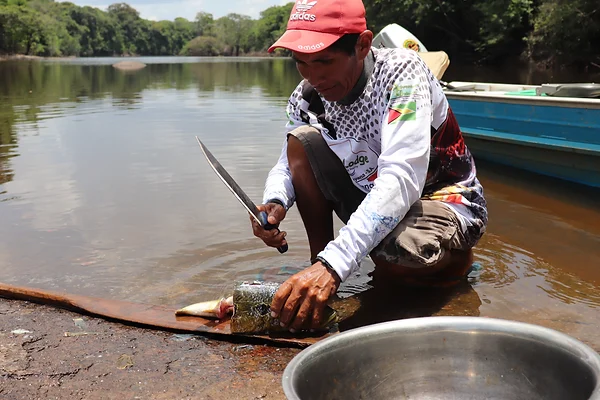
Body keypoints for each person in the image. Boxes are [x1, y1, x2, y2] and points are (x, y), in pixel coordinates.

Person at [250, 0, 488, 332]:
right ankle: (317, 276)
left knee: (398, 254)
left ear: (362, 45)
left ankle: (453, 263)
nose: (313, 76)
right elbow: (289, 160)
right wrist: (274, 201)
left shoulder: (402, 74)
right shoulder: (309, 96)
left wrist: (335, 266)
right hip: (373, 192)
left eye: (324, 61)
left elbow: (402, 176)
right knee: (301, 141)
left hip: (442, 200)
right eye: (301, 62)